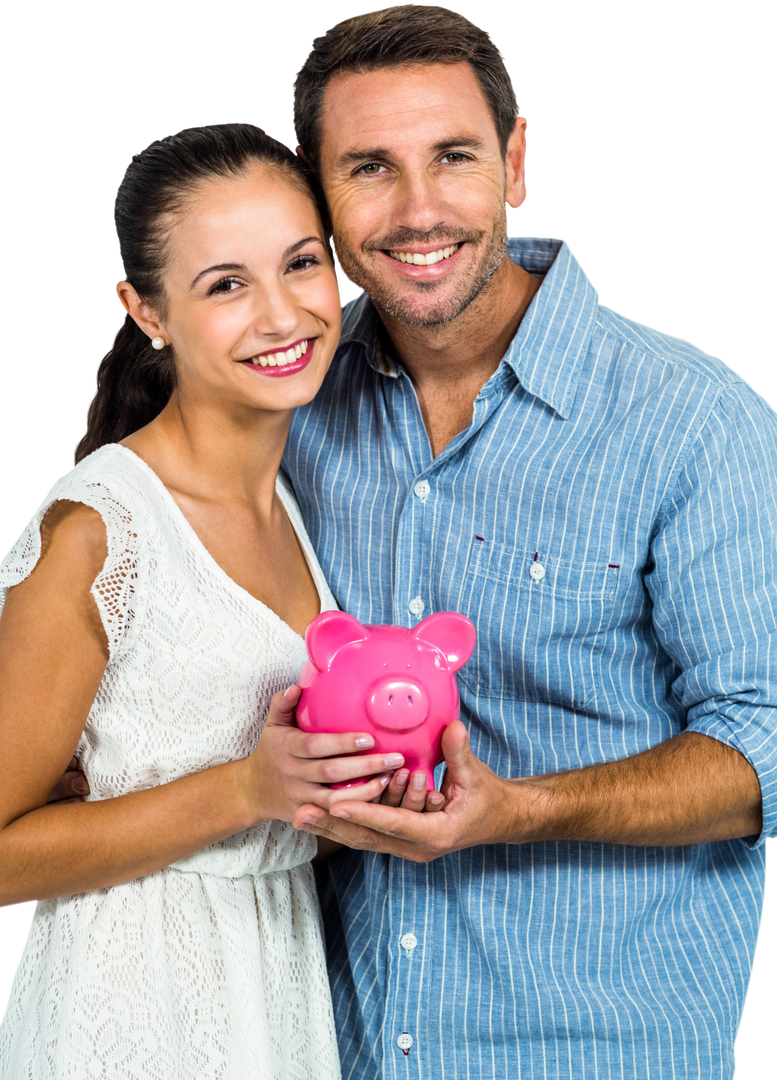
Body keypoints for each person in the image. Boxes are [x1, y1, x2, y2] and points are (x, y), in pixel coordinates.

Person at [33, 3, 777, 1078]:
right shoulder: (287, 404)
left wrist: (518, 811)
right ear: (318, 195)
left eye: (455, 158)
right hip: (319, 1035)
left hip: (592, 1047)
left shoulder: (695, 422)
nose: (420, 210)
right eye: (370, 168)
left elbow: (760, 746)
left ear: (518, 162)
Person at [0, 120, 438, 1079]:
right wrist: (245, 788)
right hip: (125, 1003)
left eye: (301, 264)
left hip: (274, 985)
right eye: (227, 284)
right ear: (144, 308)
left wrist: (350, 794)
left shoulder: (295, 502)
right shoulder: (100, 531)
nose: (283, 316)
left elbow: (271, 821)